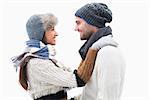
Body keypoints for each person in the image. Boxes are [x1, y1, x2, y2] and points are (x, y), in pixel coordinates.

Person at [11, 13, 116, 100]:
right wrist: (93, 48)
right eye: (52, 29)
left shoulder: (45, 58)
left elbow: (73, 76)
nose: (56, 33)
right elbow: (79, 79)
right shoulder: (37, 63)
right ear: (40, 33)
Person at [74, 3, 125, 100]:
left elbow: (108, 97)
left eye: (78, 23)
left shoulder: (108, 52)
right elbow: (93, 92)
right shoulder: (95, 52)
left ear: (91, 22)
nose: (75, 28)